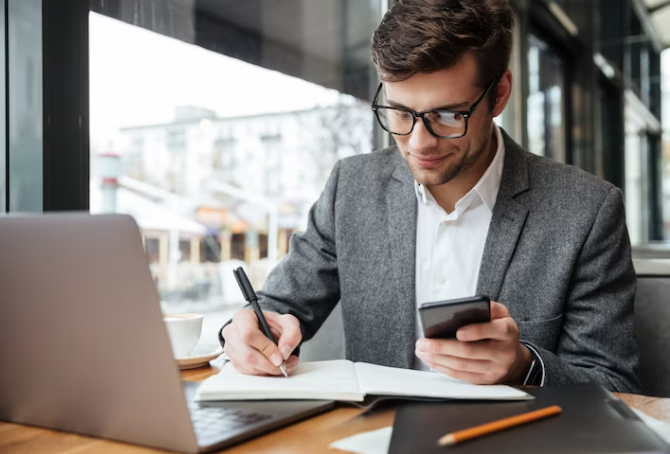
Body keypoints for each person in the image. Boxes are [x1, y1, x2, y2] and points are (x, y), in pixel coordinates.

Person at [219, 0, 640, 392]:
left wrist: (524, 366)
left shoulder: (586, 210)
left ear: (500, 94)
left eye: (447, 115)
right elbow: (276, 307)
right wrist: (246, 332)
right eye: (401, 112)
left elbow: (614, 384)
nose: (420, 142)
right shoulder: (352, 187)